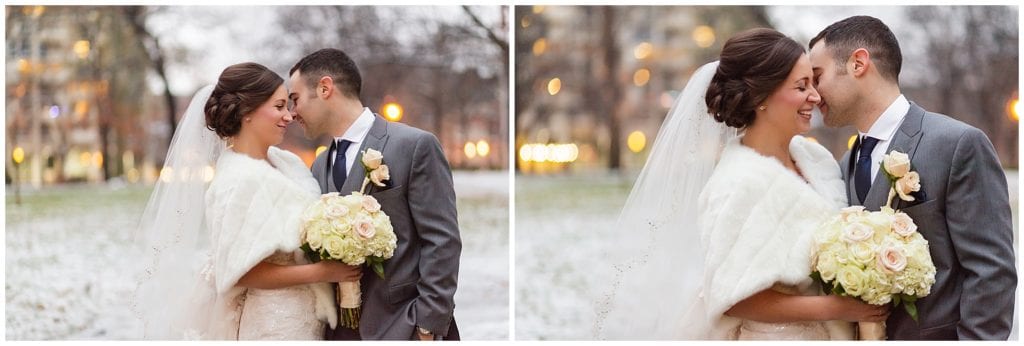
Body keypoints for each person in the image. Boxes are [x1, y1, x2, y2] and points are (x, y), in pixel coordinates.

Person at [597, 28, 887, 340]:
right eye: (801, 86)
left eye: (814, 84)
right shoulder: (737, 183)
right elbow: (735, 298)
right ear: (761, 96)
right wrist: (837, 309)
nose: (815, 97)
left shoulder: (815, 157)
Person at [809, 15, 1016, 340]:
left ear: (858, 64)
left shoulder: (958, 144)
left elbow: (991, 271)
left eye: (817, 77)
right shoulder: (845, 163)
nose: (813, 93)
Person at [132, 62, 361, 340]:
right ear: (247, 113)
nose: (289, 116)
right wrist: (323, 271)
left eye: (288, 105)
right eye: (278, 107)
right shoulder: (237, 180)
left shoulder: (286, 162)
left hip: (308, 314)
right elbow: (240, 272)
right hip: (273, 319)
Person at [287, 48, 462, 341]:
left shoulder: (414, 145)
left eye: (295, 99)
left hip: (403, 326)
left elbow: (442, 241)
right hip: (338, 333)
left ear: (325, 88)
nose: (292, 113)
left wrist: (427, 325)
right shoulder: (318, 165)